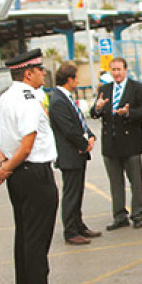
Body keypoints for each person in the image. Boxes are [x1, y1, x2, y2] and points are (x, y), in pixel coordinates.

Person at [0, 49, 80, 284]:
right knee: (38, 239)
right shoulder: (28, 100)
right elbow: (27, 144)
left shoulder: (4, 99)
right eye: (40, 70)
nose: (43, 73)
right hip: (34, 173)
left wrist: (5, 166)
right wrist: (7, 169)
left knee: (25, 235)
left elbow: (1, 140)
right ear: (28, 73)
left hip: (18, 175)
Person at [91, 57, 142, 230]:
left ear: (125, 70)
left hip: (131, 143)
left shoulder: (137, 88)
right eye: (113, 70)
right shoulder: (105, 89)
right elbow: (95, 113)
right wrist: (98, 108)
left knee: (136, 182)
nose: (116, 73)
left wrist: (128, 112)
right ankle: (119, 216)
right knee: (115, 183)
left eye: (119, 69)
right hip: (111, 144)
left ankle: (137, 214)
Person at [48, 63, 100, 245]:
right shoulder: (57, 101)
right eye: (76, 77)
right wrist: (85, 143)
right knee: (71, 194)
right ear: (69, 80)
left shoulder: (66, 98)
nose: (78, 81)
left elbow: (79, 123)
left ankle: (79, 225)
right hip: (69, 156)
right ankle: (70, 231)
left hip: (77, 154)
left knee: (78, 192)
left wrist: (90, 136)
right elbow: (69, 130)